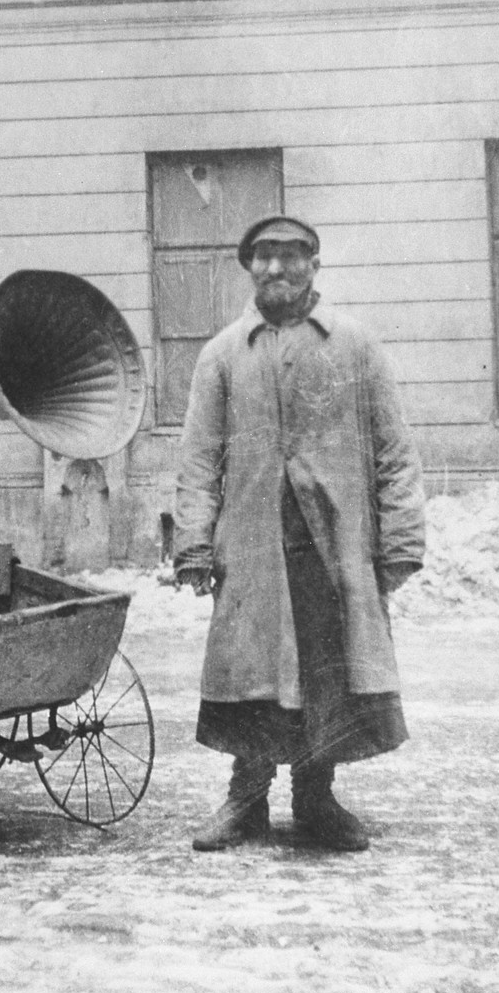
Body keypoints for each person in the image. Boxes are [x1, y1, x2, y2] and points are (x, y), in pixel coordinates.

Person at [173, 214, 425, 853]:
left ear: (314, 264)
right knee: (253, 676)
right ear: (249, 266)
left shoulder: (355, 346)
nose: (276, 269)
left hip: (332, 546)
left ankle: (317, 797)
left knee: (325, 673)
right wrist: (195, 544)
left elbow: (393, 451)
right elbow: (200, 460)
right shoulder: (224, 354)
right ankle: (245, 801)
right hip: (253, 546)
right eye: (263, 257)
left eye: (290, 256)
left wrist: (399, 542)